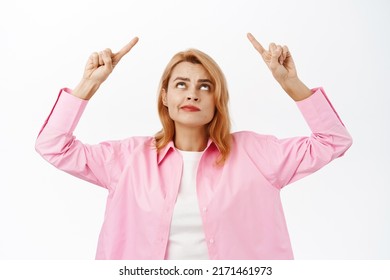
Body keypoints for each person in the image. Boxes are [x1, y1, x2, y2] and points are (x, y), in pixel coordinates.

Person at [35, 33, 352, 260]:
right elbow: (53, 146)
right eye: (181, 84)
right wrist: (90, 83)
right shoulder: (126, 158)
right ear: (165, 97)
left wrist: (291, 84)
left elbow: (333, 141)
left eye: (205, 86)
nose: (192, 94)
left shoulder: (257, 154)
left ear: (217, 100)